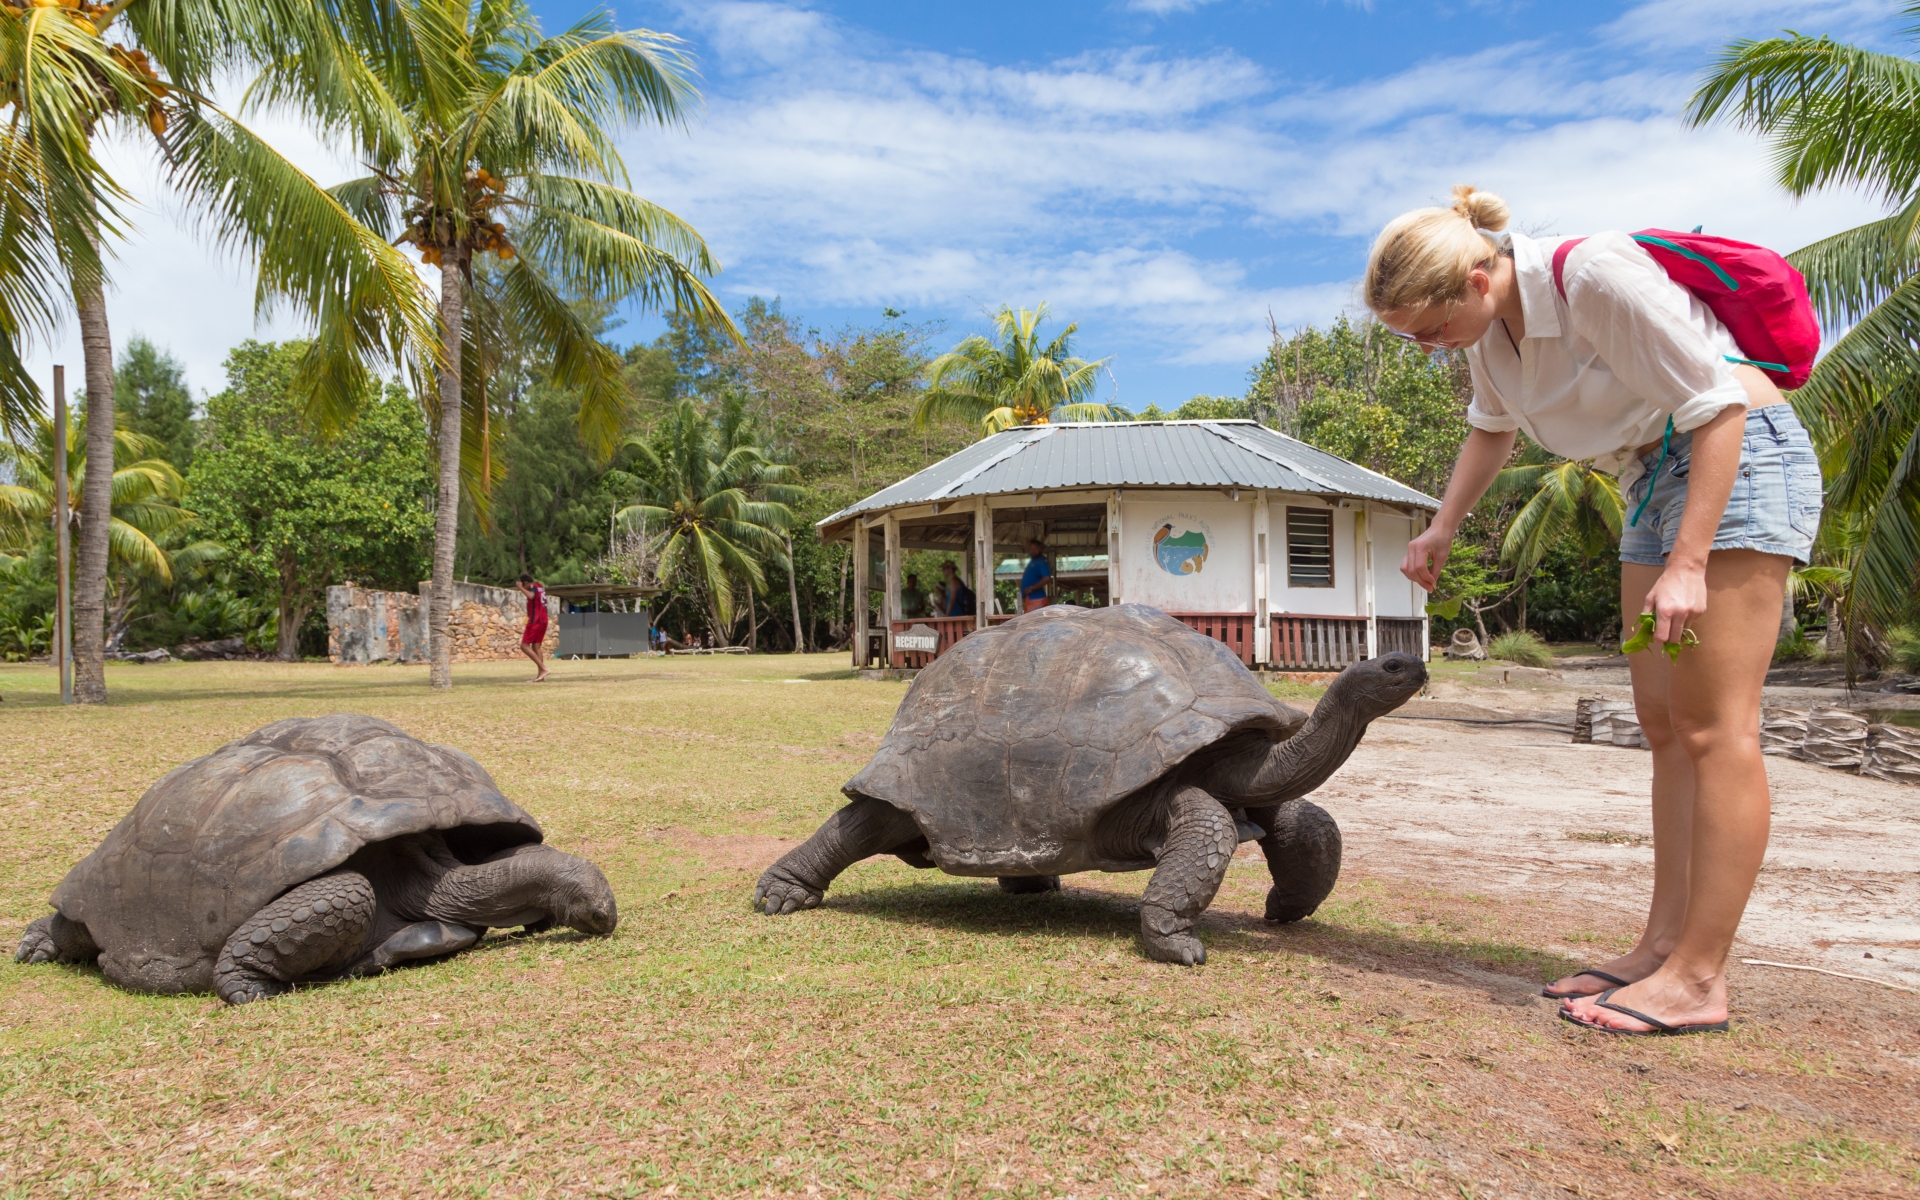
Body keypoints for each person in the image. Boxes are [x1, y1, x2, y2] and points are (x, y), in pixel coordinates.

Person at [1369, 186, 1821, 1036]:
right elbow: (1490, 428)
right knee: (1663, 722)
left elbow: (1717, 403)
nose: (1426, 347)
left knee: (1717, 727)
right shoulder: (1490, 329)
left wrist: (1690, 562)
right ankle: (1660, 947)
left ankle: (1699, 978)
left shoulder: (1596, 275)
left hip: (1736, 458)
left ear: (1477, 275)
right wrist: (1441, 528)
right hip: (1646, 478)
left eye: (1428, 328)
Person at [516, 574, 550, 682]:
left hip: (536, 620)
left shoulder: (532, 586)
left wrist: (520, 588)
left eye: (523, 584)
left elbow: (531, 596)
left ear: (525, 583)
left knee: (524, 646)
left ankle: (544, 669)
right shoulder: (540, 586)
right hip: (543, 619)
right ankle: (541, 676)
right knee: (536, 647)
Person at [1019, 540, 1052, 613]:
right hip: (1031, 599)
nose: (1033, 551)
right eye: (1031, 549)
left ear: (1040, 548)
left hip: (1037, 599)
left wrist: (1032, 588)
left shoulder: (1041, 562)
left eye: (1035, 548)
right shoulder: (1034, 562)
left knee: (1033, 622)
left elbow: (1046, 578)